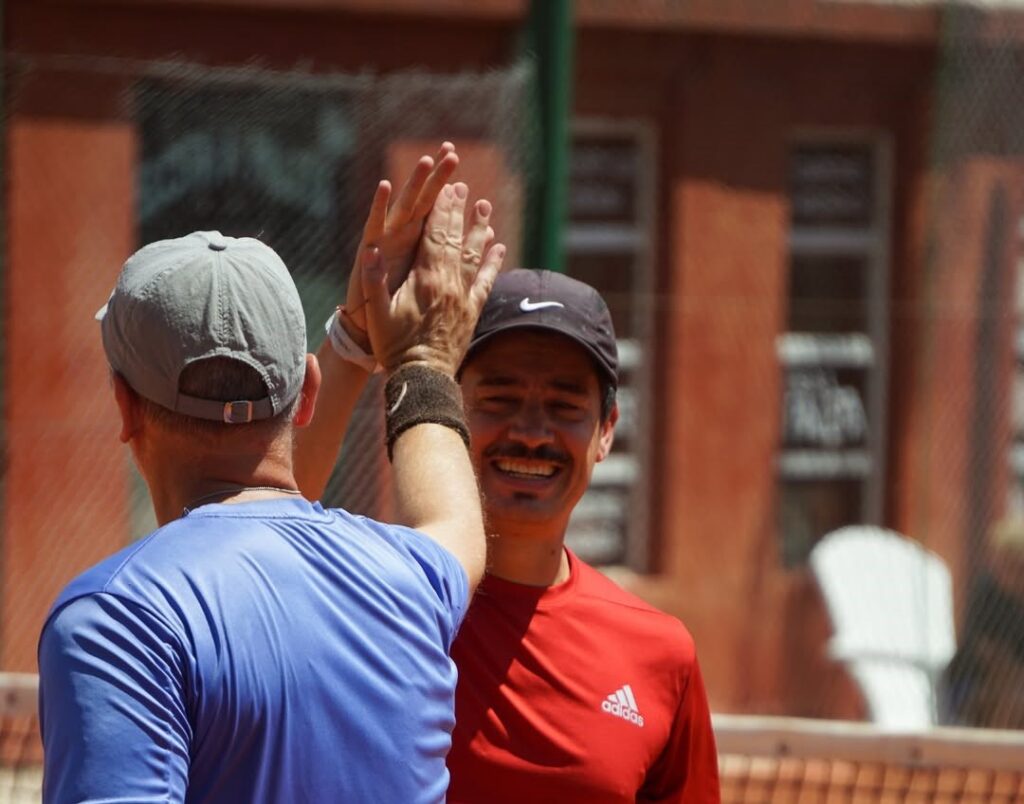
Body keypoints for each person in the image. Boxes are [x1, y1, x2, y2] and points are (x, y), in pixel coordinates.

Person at [38, 158, 505, 801]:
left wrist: (362, 345)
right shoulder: (411, 581)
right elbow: (453, 522)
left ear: (124, 404)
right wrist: (421, 357)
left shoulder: (118, 621)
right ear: (306, 394)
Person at [297, 150, 720, 802]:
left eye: (563, 405)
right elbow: (267, 503)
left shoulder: (661, 655)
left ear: (605, 432)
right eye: (497, 397)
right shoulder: (374, 599)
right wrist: (356, 338)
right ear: (451, 409)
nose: (530, 431)